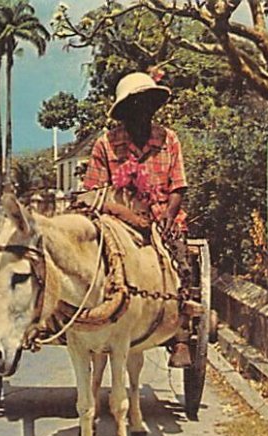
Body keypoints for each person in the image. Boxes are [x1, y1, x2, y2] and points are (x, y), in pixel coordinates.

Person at [83, 71, 192, 368]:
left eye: (148, 105)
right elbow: (95, 193)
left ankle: (181, 333)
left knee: (181, 261)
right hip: (118, 218)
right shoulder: (106, 144)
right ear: (126, 111)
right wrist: (127, 214)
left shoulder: (169, 139)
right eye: (136, 106)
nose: (143, 112)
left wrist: (168, 216)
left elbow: (179, 186)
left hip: (162, 217)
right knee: (95, 258)